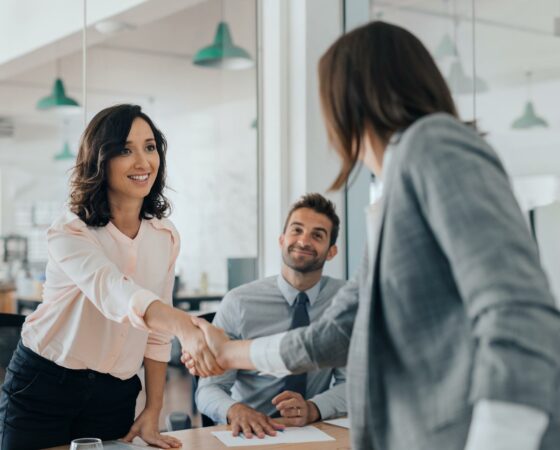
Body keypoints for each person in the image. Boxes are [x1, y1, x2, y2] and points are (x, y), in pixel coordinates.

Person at [184, 21, 560, 450]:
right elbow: (337, 333)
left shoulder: (433, 143)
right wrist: (229, 353)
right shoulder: (390, 196)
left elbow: (516, 309)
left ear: (348, 99)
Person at [0, 104, 223, 450]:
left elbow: (155, 335)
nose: (142, 162)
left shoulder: (165, 236)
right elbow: (115, 292)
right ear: (100, 160)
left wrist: (153, 407)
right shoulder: (71, 231)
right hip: (44, 385)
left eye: (150, 147)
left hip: (114, 394)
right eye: (125, 150)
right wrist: (186, 327)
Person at [196, 193, 348, 438]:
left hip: (314, 430)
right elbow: (209, 388)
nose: (303, 241)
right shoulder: (239, 303)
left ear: (331, 251)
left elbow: (352, 382)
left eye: (317, 235)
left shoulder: (345, 301)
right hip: (250, 434)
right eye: (296, 230)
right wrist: (235, 410)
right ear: (281, 240)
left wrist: (313, 408)